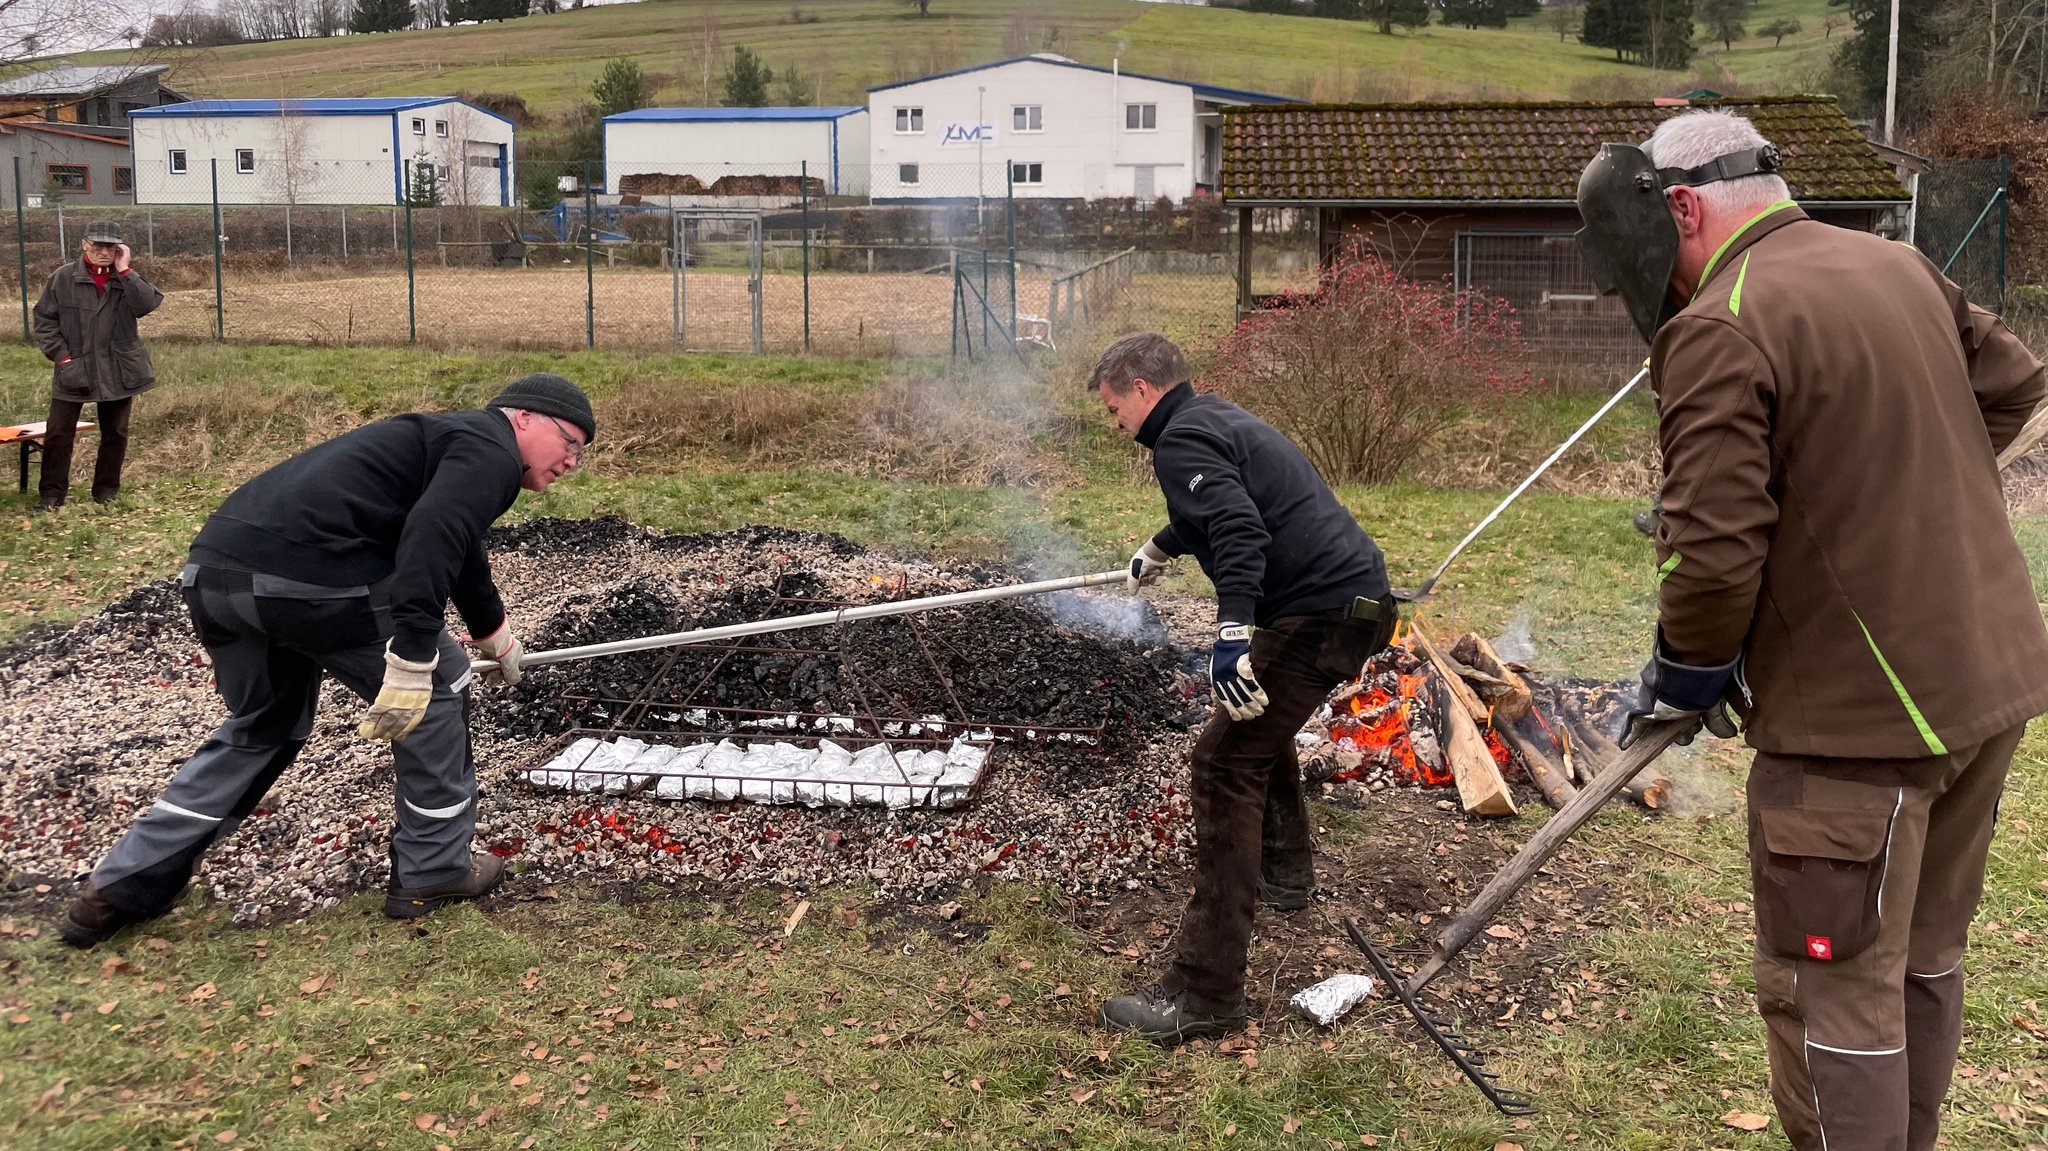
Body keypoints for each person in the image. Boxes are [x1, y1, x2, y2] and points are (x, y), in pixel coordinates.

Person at [1579, 109, 2048, 1151]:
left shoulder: (1719, 322)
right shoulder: (1895, 265)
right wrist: (1891, 492)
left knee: (1827, 985)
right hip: (1986, 683)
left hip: (1855, 722)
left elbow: (1706, 558)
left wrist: (1688, 671)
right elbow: (2014, 385)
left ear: (1681, 208)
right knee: (1918, 954)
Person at [59, 373, 596, 949]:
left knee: (262, 727)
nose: (571, 462)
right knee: (440, 694)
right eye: (570, 443)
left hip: (217, 574)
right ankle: (434, 867)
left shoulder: (447, 442)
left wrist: (494, 633)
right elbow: (434, 535)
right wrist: (415, 654)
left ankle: (122, 887)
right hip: (315, 581)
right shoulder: (490, 448)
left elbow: (457, 541)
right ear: (522, 418)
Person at [1089, 331, 1398, 1044]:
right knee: (1255, 724)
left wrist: (1230, 634)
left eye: (1114, 410)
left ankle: (1205, 992)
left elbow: (1238, 527)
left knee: (1223, 761)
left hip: (1320, 614)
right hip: (1346, 602)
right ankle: (1284, 874)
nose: (1117, 426)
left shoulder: (1178, 442)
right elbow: (1230, 498)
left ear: (1142, 389)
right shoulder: (1213, 416)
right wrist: (1165, 543)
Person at [31, 220, 164, 511]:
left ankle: (106, 491)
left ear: (119, 249)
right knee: (58, 433)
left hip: (119, 368)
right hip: (73, 366)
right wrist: (63, 358)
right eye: (98, 245)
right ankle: (51, 495)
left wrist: (126, 270)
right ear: (84, 244)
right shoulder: (62, 278)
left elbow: (146, 305)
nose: (104, 252)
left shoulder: (126, 280)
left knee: (115, 432)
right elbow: (44, 321)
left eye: (111, 247)